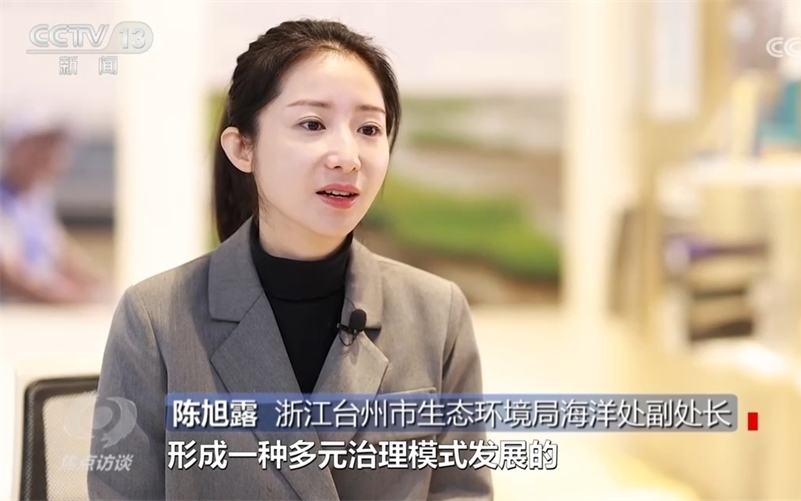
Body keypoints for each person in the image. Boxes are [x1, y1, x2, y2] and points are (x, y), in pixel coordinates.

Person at [88, 19, 492, 500]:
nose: (347, 156)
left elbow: (462, 491)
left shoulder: (438, 313)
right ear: (243, 148)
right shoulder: (154, 318)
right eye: (312, 124)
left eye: (369, 128)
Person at [0, 111, 109, 304]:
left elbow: (60, 253)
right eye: (41, 145)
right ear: (16, 147)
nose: (51, 154)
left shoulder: (38, 198)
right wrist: (72, 300)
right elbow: (9, 275)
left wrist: (104, 288)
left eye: (57, 145)